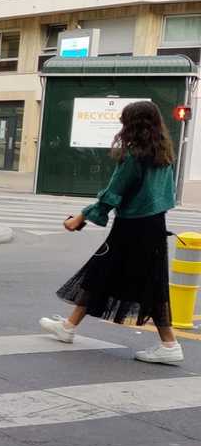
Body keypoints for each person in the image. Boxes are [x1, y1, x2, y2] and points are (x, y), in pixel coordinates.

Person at [41, 100, 183, 365]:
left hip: (132, 227)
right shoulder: (163, 153)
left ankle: (169, 343)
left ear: (133, 125)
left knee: (131, 281)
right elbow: (166, 196)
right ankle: (69, 327)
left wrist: (81, 218)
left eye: (124, 120)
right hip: (153, 225)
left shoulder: (134, 155)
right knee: (107, 274)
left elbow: (113, 193)